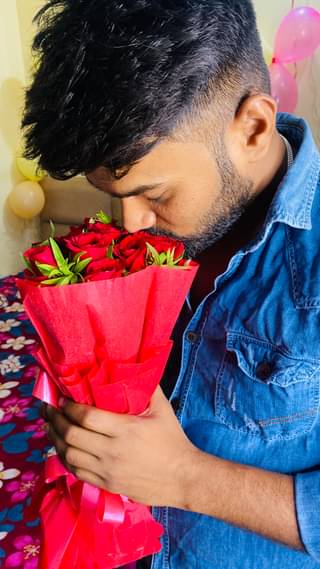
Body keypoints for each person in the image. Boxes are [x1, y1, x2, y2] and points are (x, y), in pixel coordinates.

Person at [23, 0, 320, 567]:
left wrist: (186, 479)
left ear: (253, 126)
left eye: (155, 195)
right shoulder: (136, 233)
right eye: (116, 197)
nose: (129, 225)